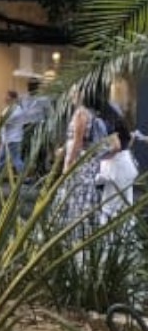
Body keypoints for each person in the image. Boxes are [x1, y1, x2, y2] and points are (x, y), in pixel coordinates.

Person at [60, 91, 105, 232]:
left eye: (73, 92)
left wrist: (68, 163)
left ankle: (77, 226)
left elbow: (78, 141)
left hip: (81, 161)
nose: (70, 95)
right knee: (83, 191)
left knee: (78, 190)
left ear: (81, 95)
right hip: (86, 159)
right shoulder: (88, 113)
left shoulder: (81, 113)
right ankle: (83, 225)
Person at [0, 90, 27, 174]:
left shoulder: (16, 110)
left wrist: (0, 120)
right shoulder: (8, 108)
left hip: (13, 139)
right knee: (2, 159)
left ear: (13, 98)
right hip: (6, 138)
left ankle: (22, 176)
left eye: (7, 96)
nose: (5, 98)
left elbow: (5, 121)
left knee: (15, 159)